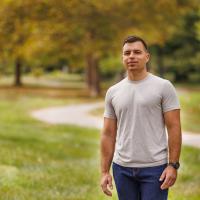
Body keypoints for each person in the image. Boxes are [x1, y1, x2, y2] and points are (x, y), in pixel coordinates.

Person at [100, 35, 182, 200]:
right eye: (127, 53)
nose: (131, 56)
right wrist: (104, 171)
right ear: (122, 57)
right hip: (122, 168)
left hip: (155, 168)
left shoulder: (164, 87)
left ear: (147, 57)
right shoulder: (113, 92)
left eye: (137, 52)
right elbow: (108, 134)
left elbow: (174, 127)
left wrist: (173, 165)